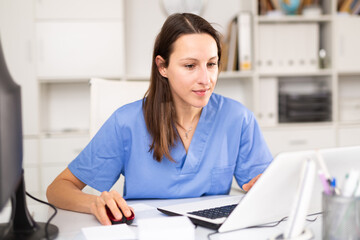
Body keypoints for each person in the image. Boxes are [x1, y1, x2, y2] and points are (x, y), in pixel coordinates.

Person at [46, 13, 273, 226]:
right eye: (190, 66)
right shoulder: (127, 122)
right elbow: (58, 188)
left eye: (211, 64)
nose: (206, 79)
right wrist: (94, 203)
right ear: (162, 66)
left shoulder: (237, 118)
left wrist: (265, 188)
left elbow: (265, 185)